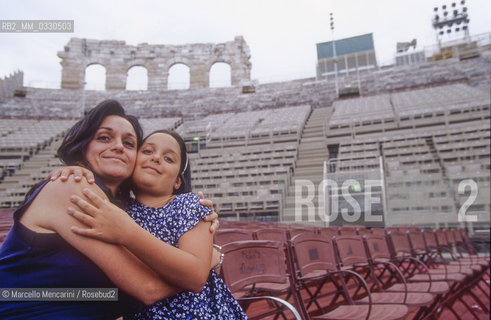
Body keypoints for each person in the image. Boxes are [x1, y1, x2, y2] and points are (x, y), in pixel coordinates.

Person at [0, 100, 219, 319]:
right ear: (84, 146)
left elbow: (99, 295)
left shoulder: (121, 210)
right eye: (104, 137)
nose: (118, 147)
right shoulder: (73, 186)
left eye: (129, 144)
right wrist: (209, 259)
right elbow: (148, 288)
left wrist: (198, 237)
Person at [61, 129, 247, 319]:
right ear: (132, 164)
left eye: (169, 159)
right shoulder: (115, 211)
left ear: (177, 181)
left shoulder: (189, 204)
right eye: (148, 151)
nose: (156, 158)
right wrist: (75, 170)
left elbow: (196, 277)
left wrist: (126, 232)